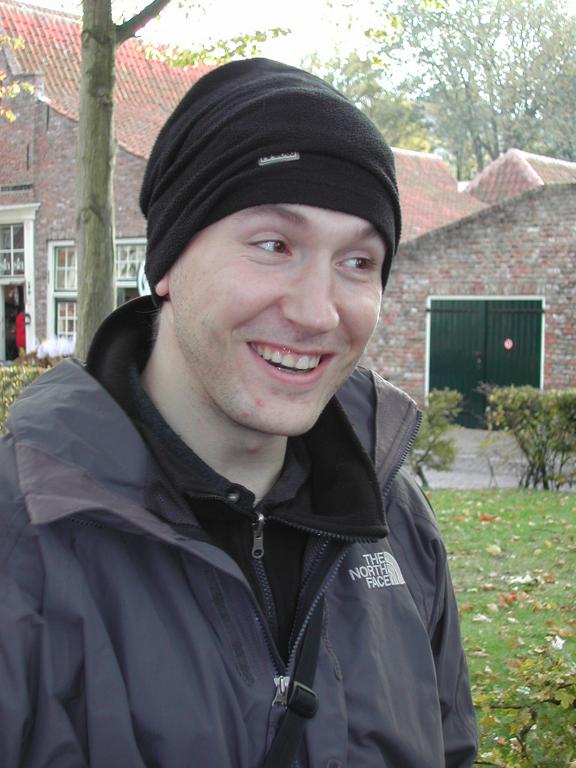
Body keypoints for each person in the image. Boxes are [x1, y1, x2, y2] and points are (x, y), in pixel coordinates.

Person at [0, 58, 478, 767]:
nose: (318, 313)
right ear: (167, 262)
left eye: (358, 262)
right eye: (274, 246)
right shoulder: (23, 539)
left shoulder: (398, 524)